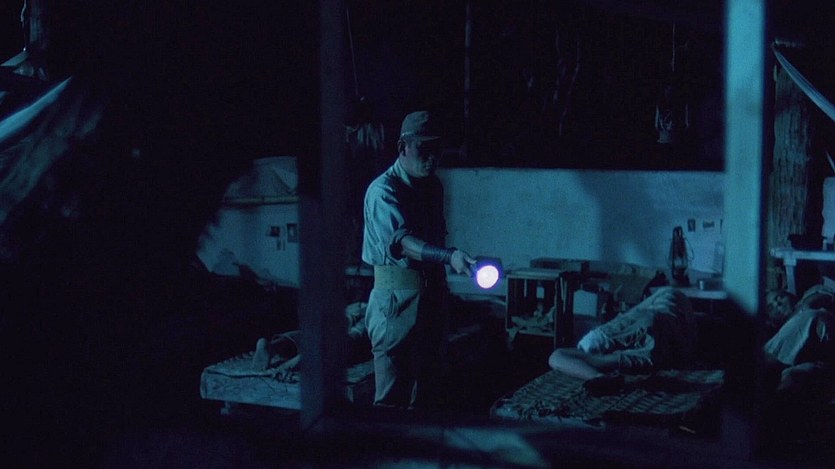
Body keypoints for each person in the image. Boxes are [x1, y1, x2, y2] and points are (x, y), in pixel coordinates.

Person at [362, 110, 476, 409]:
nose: (432, 158)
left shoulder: (433, 186)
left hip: (432, 297)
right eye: (424, 149)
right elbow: (402, 242)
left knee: (429, 394)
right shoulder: (383, 190)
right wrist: (449, 256)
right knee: (391, 401)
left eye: (437, 150)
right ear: (403, 147)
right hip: (396, 301)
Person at [547, 286, 697, 392]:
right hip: (663, 348)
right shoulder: (670, 298)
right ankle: (599, 377)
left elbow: (637, 312)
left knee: (562, 355)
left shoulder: (667, 294)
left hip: (659, 335)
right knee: (588, 355)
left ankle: (598, 376)